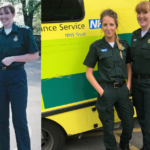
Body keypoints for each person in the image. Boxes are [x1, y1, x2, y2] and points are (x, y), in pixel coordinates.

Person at [83, 9, 134, 150]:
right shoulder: (96, 46)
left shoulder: (123, 44)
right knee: (108, 127)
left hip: (123, 90)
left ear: (116, 25)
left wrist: (128, 85)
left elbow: (128, 66)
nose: (108, 28)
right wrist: (102, 91)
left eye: (111, 24)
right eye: (105, 25)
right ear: (101, 26)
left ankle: (124, 145)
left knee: (129, 124)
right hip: (106, 91)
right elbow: (89, 73)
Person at [0, 3, 39, 150]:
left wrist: (13, 58)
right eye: (1, 14)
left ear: (13, 14)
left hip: (17, 78)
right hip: (0, 79)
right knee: (1, 120)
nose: (3, 17)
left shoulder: (24, 31)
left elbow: (34, 55)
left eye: (6, 13)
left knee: (19, 119)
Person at [131, 1, 150, 150]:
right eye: (139, 13)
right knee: (142, 119)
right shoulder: (135, 34)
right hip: (136, 85)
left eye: (145, 12)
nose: (141, 16)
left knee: (149, 120)